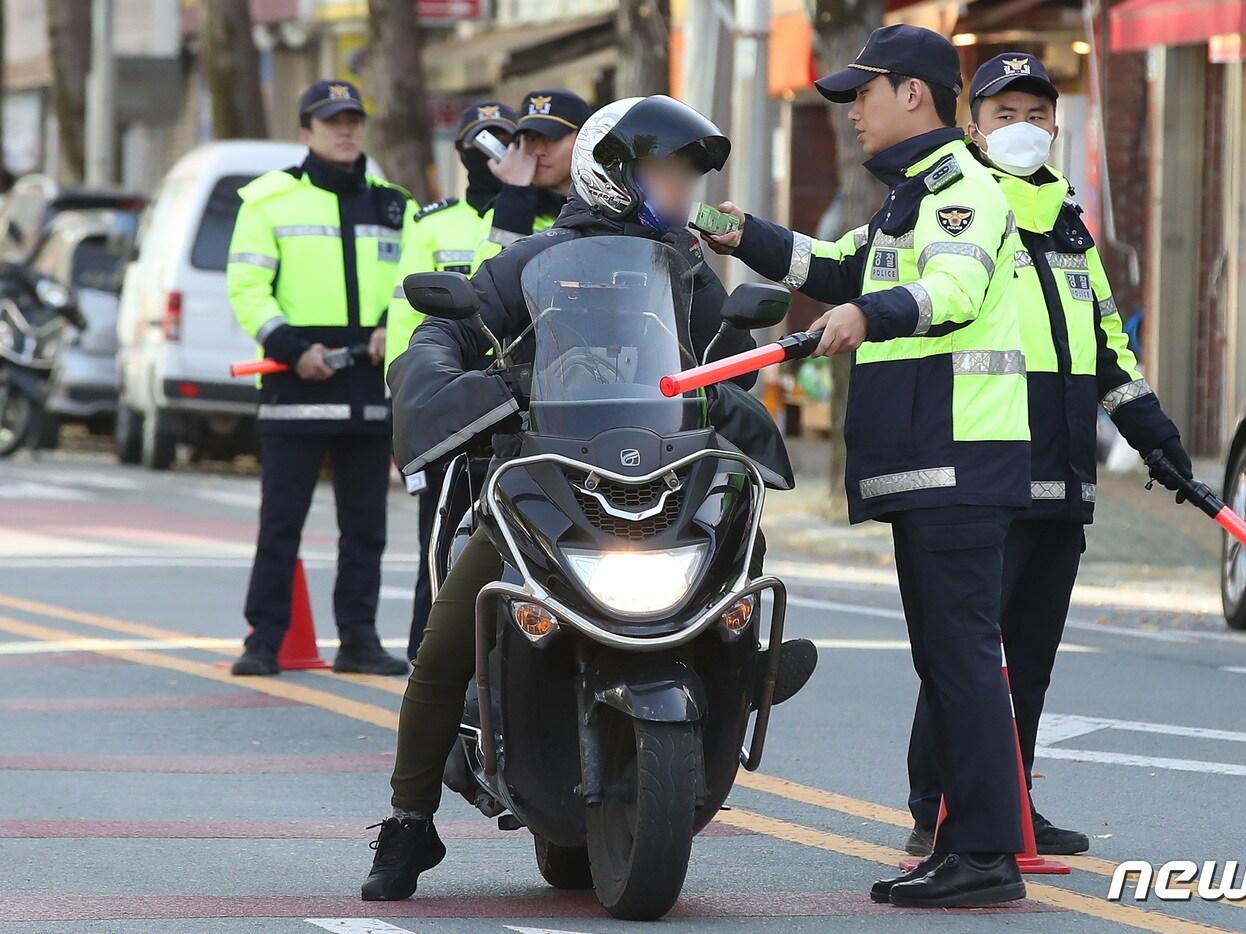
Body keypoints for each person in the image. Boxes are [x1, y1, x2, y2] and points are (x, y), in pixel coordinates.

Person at [360, 95, 814, 901]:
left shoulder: (683, 272)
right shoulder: (528, 263)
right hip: (545, 484)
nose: (680, 192)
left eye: (687, 176)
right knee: (443, 641)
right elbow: (444, 332)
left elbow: (730, 360)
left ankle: (742, 659)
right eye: (665, 173)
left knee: (744, 536)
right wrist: (442, 376)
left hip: (663, 478)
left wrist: (736, 378)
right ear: (612, 177)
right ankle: (407, 820)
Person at [705, 24, 1032, 909]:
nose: (851, 110)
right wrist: (740, 234)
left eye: (864, 92)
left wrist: (870, 317)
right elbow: (836, 266)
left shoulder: (962, 190)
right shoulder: (907, 198)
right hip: (924, 463)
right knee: (946, 661)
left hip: (959, 460)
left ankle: (986, 856)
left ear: (915, 94)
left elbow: (953, 292)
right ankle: (962, 847)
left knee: (962, 661)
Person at [901, 52, 1192, 860]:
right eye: (1005, 115)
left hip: (1063, 467)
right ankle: (939, 804)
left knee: (1028, 655)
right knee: (967, 653)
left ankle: (1011, 798)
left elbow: (1106, 345)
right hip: (987, 462)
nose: (1024, 130)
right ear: (972, 126)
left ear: (1057, 126)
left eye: (1037, 115)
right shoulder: (962, 207)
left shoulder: (1069, 220)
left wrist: (1156, 438)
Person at [387, 94, 587, 661]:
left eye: (551, 138)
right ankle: (436, 687)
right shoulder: (506, 212)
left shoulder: (602, 214)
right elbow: (478, 299)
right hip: (487, 408)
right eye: (526, 139)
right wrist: (516, 199)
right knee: (452, 556)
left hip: (585, 414)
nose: (535, 150)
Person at [226, 80, 411, 677]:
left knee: (366, 528)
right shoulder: (268, 200)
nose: (346, 129)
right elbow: (247, 287)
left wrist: (393, 325)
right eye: (332, 120)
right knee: (281, 524)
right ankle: (265, 641)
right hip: (296, 383)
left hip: (366, 385)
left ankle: (358, 639)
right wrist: (291, 346)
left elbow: (412, 279)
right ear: (305, 131)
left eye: (354, 118)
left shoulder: (395, 204)